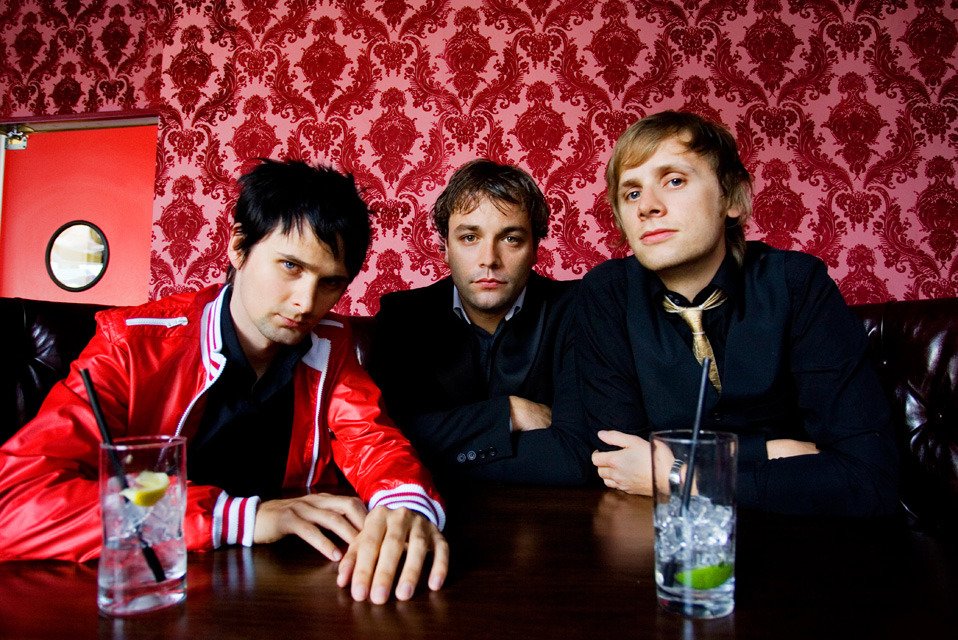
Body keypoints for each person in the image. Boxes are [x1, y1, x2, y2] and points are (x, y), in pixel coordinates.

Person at [0, 159, 448, 604]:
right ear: (237, 246)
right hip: (155, 592)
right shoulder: (132, 345)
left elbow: (370, 439)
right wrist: (238, 518)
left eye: (330, 283)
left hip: (291, 588)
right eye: (290, 266)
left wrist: (404, 504)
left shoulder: (329, 342)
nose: (306, 302)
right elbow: (15, 503)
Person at [577, 111, 899, 516]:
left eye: (674, 181)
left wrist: (681, 476)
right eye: (632, 193)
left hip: (799, 536)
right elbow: (620, 459)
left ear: (732, 198)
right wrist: (773, 451)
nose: (648, 207)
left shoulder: (797, 284)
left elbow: (869, 478)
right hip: (662, 535)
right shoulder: (606, 293)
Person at [369, 159, 591, 486]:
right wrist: (508, 413)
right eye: (470, 237)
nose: (489, 259)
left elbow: (576, 458)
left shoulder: (577, 310)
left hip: (553, 514)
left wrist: (435, 451)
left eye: (511, 238)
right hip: (433, 513)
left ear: (535, 249)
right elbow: (380, 441)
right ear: (445, 248)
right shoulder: (403, 317)